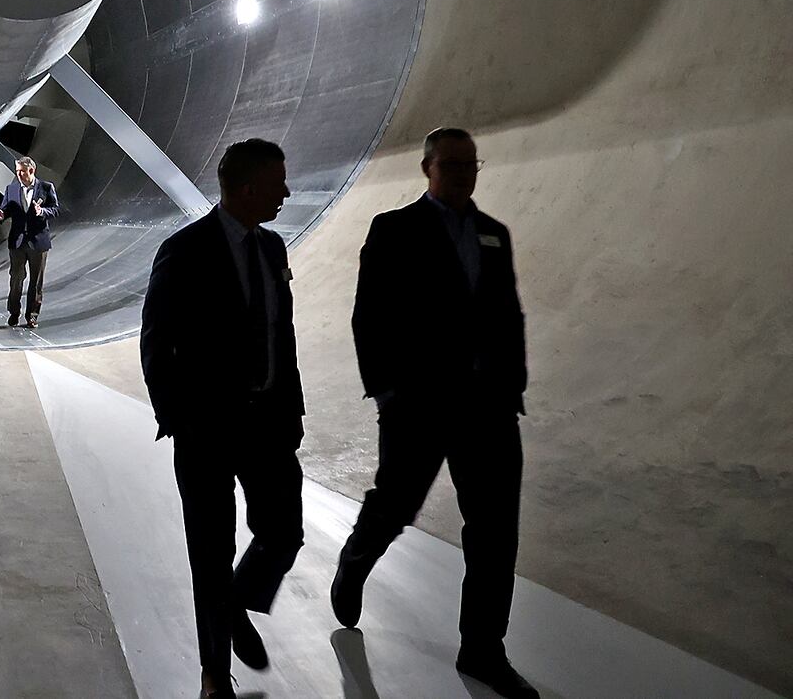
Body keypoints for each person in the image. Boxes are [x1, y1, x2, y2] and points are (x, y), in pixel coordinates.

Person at [330, 128, 538, 699]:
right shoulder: (394, 230)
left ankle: (483, 650)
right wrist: (387, 392)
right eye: (452, 165)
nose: (464, 174)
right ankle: (356, 559)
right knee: (396, 505)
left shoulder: (494, 234)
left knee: (495, 533)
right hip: (417, 405)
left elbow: (508, 314)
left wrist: (512, 387)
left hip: (489, 410)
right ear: (428, 168)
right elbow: (367, 315)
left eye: (472, 165)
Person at [140, 139, 304, 699]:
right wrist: (176, 417)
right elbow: (156, 341)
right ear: (248, 187)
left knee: (283, 533)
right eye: (278, 181)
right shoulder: (185, 250)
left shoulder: (274, 247)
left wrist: (292, 408)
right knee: (210, 551)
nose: (287, 191)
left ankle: (237, 601)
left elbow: (282, 334)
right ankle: (215, 674)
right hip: (207, 430)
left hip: (268, 425)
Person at [0, 156, 59, 329]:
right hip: (17, 242)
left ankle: (32, 316)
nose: (19, 174)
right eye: (17, 171)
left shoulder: (46, 188)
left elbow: (55, 209)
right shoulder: (11, 189)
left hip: (38, 241)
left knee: (36, 281)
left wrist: (42, 211)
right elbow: (5, 209)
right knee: (16, 279)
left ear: (32, 170)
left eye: (22, 171)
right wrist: (1, 215)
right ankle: (14, 313)